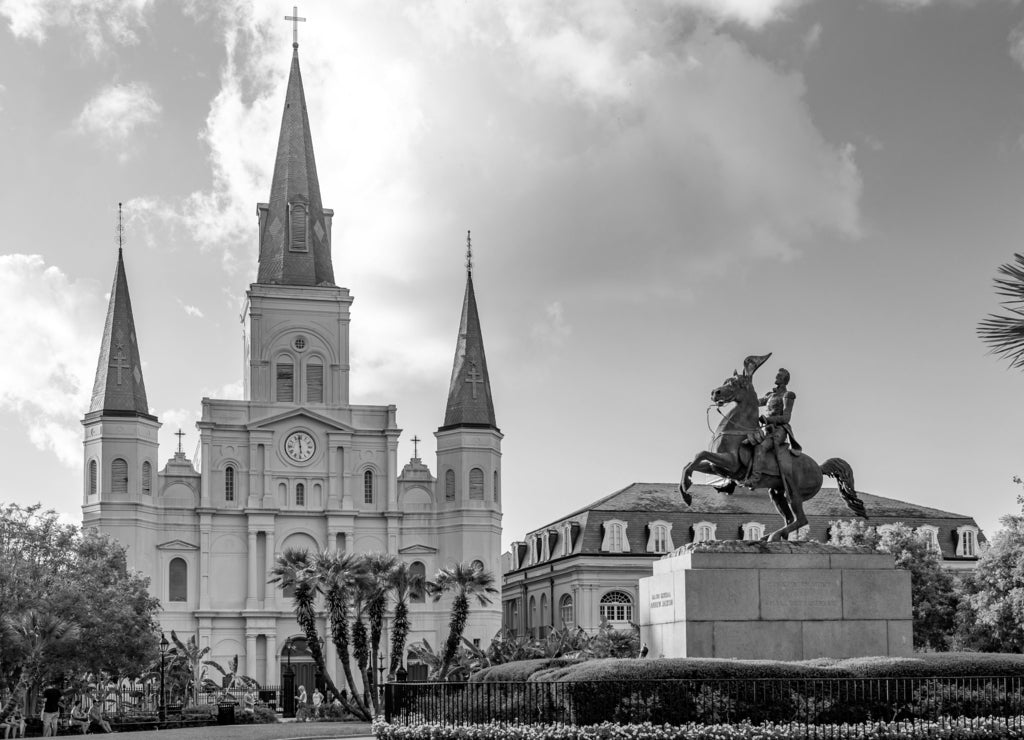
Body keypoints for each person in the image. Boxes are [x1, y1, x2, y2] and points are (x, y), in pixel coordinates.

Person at [742, 368, 801, 488]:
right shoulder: (770, 395)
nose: (776, 376)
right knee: (745, 441)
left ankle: (755, 478)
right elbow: (754, 402)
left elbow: (786, 418)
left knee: (761, 447)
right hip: (765, 429)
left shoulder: (788, 395)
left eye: (779, 375)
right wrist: (744, 389)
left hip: (779, 430)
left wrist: (768, 420)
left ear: (784, 379)